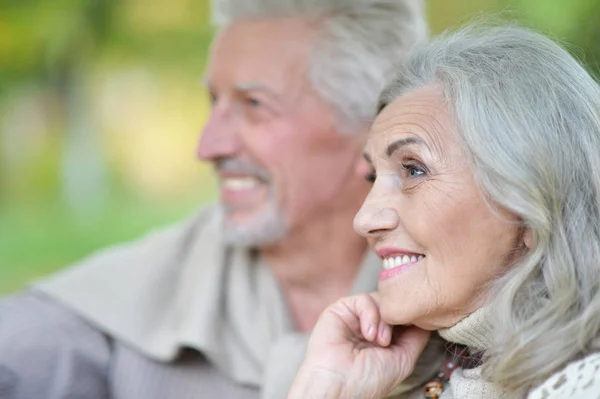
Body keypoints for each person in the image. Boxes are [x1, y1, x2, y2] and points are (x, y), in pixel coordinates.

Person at [0, 1, 444, 399]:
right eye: (214, 101)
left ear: (374, 131)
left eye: (253, 104)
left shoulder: (471, 307)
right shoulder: (115, 305)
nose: (207, 146)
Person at [287, 24, 600, 398]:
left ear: (532, 201)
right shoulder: (404, 376)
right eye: (374, 176)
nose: (365, 220)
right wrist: (328, 386)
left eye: (413, 170)